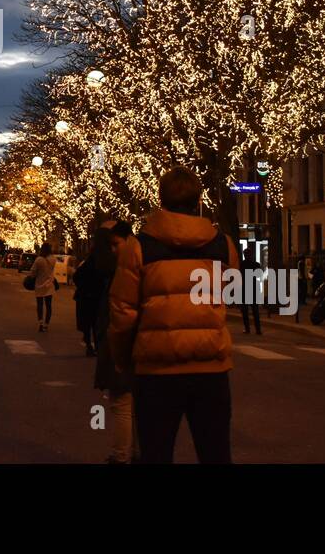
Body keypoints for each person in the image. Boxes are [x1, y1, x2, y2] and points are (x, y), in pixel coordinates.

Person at [108, 166, 240, 464]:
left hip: (156, 370)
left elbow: (122, 313)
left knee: (155, 453)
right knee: (216, 453)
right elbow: (231, 295)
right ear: (198, 200)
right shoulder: (223, 245)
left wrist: (123, 359)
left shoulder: (138, 247)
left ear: (161, 199)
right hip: (211, 369)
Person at [93, 219, 135, 463]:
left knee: (121, 403)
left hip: (123, 344)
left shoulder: (121, 271)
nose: (112, 248)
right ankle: (137, 454)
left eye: (115, 243)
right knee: (133, 405)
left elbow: (101, 264)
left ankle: (120, 456)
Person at [73, 249, 102, 356]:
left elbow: (76, 277)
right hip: (95, 298)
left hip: (84, 298)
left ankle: (89, 345)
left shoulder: (84, 266)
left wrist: (82, 287)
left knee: (86, 323)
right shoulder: (99, 268)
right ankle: (97, 347)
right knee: (95, 324)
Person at [31, 244, 56, 332]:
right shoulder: (53, 259)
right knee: (49, 306)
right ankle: (46, 324)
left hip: (39, 284)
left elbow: (33, 272)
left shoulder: (39, 260)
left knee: (40, 305)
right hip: (49, 284)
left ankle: (40, 323)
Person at [238, 243, 262, 335]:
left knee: (245, 312)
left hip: (244, 289)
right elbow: (259, 275)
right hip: (253, 289)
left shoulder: (242, 264)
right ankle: (258, 330)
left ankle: (247, 329)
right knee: (255, 311)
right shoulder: (256, 264)